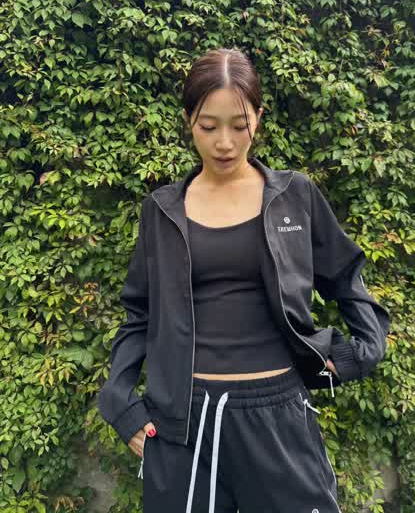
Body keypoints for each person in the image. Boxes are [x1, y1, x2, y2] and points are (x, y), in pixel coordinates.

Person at [97, 48, 390, 512]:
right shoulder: (162, 211)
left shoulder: (295, 195)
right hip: (184, 425)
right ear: (188, 121)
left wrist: (363, 351)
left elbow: (345, 276)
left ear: (259, 117)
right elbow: (139, 313)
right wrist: (120, 403)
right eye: (208, 126)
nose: (225, 143)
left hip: (279, 415)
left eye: (240, 125)